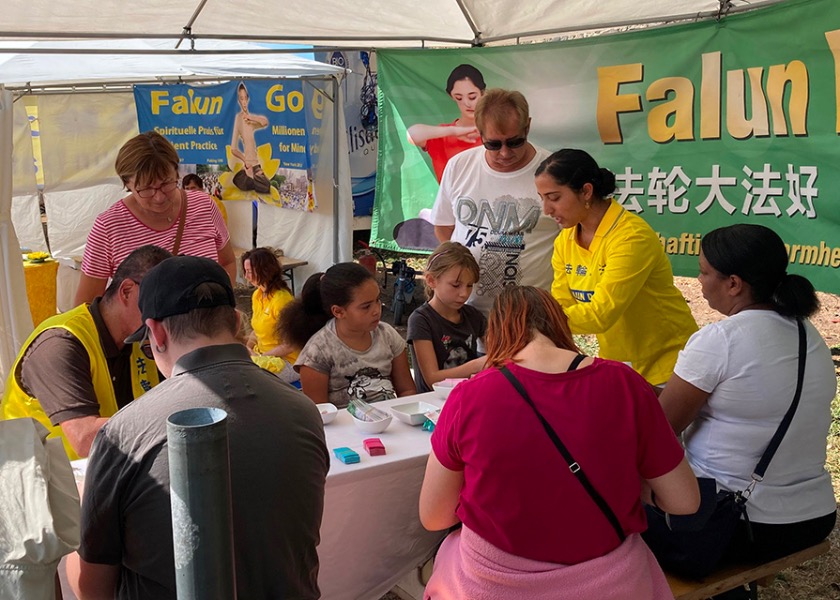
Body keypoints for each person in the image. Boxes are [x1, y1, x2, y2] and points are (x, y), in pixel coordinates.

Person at [66, 256, 328, 600]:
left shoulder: (125, 432)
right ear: (235, 322)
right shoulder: (304, 410)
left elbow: (91, 587)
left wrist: (83, 509)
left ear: (156, 333)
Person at [419, 286, 699, 599]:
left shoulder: (469, 397)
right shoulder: (625, 383)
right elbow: (684, 501)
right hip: (612, 583)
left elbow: (434, 517)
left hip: (492, 584)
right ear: (560, 325)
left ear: (496, 333)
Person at [650, 224, 836, 587]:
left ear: (734, 283)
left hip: (737, 523)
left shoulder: (721, 339)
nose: (699, 282)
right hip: (813, 517)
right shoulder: (805, 333)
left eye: (704, 272)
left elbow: (658, 431)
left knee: (614, 496)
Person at [537, 148, 697, 386]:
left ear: (586, 191)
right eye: (542, 199)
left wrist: (537, 320)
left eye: (554, 198)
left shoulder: (631, 237)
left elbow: (601, 314)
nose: (547, 210)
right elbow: (562, 304)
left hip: (669, 365)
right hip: (621, 363)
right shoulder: (565, 240)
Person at [1, 245, 171, 460]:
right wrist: (172, 418)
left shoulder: (139, 339)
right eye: (160, 302)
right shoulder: (60, 343)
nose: (166, 314)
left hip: (104, 474)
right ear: (127, 291)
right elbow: (85, 438)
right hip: (45, 483)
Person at [430, 88, 559, 316]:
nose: (505, 153)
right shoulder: (460, 166)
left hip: (531, 315)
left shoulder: (553, 171)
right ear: (479, 132)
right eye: (494, 144)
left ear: (527, 127)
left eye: (515, 142)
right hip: (467, 314)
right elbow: (443, 226)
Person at [75, 131, 236, 305]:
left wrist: (221, 305)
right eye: (145, 189)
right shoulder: (108, 227)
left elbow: (227, 262)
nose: (159, 197)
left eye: (166, 183)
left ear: (176, 172)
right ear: (127, 184)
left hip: (206, 328)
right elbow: (85, 306)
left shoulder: (205, 206)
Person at [294, 262, 416, 408]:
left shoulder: (388, 335)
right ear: (338, 312)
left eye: (378, 300)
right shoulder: (316, 353)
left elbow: (407, 391)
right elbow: (319, 415)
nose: (376, 310)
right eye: (366, 306)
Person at [407, 241, 486, 393]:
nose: (464, 293)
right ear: (431, 280)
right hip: (433, 403)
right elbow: (433, 380)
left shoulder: (474, 316)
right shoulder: (421, 320)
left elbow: (497, 357)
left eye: (469, 285)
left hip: (469, 397)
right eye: (456, 285)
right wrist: (477, 365)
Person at [407, 64, 486, 182]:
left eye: (472, 97)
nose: (467, 103)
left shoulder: (494, 130)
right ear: (452, 96)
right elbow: (412, 135)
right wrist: (453, 131)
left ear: (482, 93)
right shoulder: (443, 135)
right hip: (451, 200)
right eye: (459, 98)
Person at [241, 247, 299, 382]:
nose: (246, 277)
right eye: (246, 272)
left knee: (246, 376)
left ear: (264, 271)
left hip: (287, 362)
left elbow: (290, 345)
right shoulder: (257, 295)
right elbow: (256, 331)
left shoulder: (282, 300)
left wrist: (261, 357)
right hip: (263, 355)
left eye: (249, 272)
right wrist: (248, 348)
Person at [231, 82, 271, 194]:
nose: (243, 102)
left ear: (248, 99)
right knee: (238, 181)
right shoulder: (238, 119)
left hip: (256, 165)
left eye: (245, 98)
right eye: (241, 99)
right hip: (248, 164)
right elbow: (233, 149)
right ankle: (250, 178)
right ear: (238, 101)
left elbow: (265, 122)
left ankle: (253, 179)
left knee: (266, 186)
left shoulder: (250, 119)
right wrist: (245, 161)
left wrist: (250, 117)